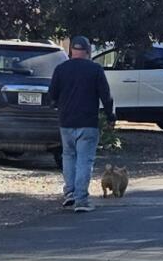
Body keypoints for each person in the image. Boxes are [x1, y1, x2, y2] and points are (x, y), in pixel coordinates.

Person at [48, 37, 114, 211]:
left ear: (71, 50)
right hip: (88, 122)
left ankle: (69, 193)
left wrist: (57, 104)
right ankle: (81, 200)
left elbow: (52, 94)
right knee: (84, 160)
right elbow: (105, 95)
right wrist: (110, 115)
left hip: (66, 121)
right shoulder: (95, 69)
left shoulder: (61, 69)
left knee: (68, 157)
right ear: (88, 51)